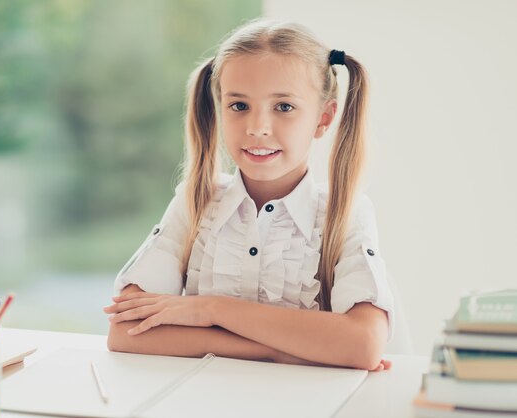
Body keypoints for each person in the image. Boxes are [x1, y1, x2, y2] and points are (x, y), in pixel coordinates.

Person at [104, 18, 394, 371]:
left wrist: (209, 309)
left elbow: (362, 344)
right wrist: (282, 351)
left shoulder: (345, 212)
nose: (257, 128)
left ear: (323, 118)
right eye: (239, 106)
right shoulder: (196, 200)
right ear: (220, 108)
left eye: (283, 107)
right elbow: (125, 330)